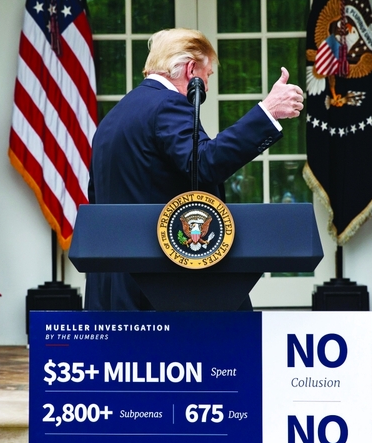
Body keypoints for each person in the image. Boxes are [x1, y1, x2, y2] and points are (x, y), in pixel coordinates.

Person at [85, 27, 304, 311]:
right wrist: (267, 112)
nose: (208, 87)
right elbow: (204, 163)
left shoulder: (113, 118)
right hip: (163, 288)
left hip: (112, 289)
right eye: (208, 75)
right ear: (191, 70)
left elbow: (96, 197)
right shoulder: (166, 105)